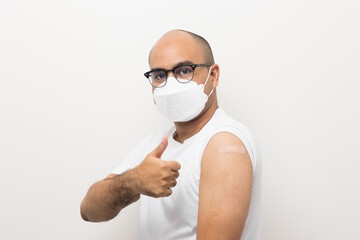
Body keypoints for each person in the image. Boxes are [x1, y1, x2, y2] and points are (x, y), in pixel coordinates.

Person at [80, 29, 262, 240]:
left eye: (183, 71)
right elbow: (89, 210)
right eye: (159, 75)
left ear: (213, 75)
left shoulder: (224, 143)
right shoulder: (156, 144)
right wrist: (133, 181)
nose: (170, 84)